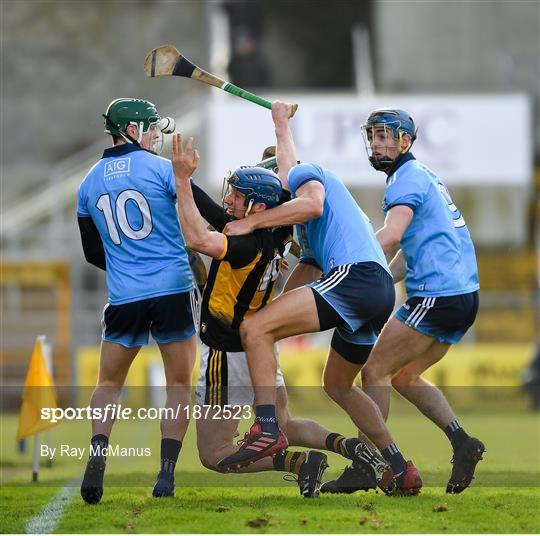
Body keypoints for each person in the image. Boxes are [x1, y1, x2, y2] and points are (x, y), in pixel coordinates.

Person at [215, 102, 422, 495]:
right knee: (338, 385)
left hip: (356, 277)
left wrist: (250, 221)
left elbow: (310, 201)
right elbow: (307, 271)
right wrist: (274, 311)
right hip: (377, 289)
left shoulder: (307, 177)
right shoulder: (311, 229)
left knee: (254, 329)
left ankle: (268, 428)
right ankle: (397, 466)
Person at [171, 135, 394, 498]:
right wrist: (177, 176)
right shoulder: (277, 232)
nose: (231, 200)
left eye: (239, 195)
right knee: (284, 422)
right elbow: (215, 211)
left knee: (214, 454)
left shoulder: (245, 241)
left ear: (260, 206)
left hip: (227, 351)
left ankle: (297, 463)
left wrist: (180, 181)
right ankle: (350, 447)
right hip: (259, 349)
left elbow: (199, 237)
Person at [76, 98, 197, 503]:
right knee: (179, 384)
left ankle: (97, 458)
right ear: (130, 130)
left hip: (125, 295)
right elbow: (210, 216)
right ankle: (166, 475)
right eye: (150, 129)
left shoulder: (88, 183)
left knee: (108, 383)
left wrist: (128, 263)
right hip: (173, 290)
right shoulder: (161, 169)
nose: (156, 137)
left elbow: (93, 253)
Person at [358, 108, 485, 494]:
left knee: (374, 371)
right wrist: (381, 275)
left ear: (405, 142)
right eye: (373, 136)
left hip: (438, 295)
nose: (378, 144)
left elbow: (392, 234)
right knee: (404, 376)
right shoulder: (424, 175)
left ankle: (371, 464)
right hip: (464, 297)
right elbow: (408, 250)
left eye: (385, 136)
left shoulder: (404, 180)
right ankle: (463, 443)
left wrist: (348, 261)